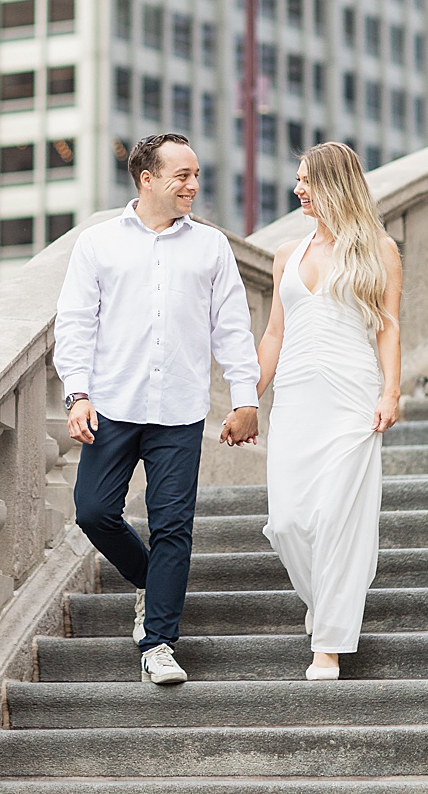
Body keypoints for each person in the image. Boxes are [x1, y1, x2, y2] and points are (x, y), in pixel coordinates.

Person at [53, 133, 260, 686]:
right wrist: (77, 394)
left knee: (174, 526)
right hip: (112, 404)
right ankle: (153, 580)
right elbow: (74, 324)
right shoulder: (98, 244)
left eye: (195, 175)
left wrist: (246, 399)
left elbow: (233, 327)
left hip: (180, 409)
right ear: (147, 179)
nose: (193, 185)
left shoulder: (211, 247)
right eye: (182, 176)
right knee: (94, 512)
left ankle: (159, 642)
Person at [231, 142, 402, 681]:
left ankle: (327, 644)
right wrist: (246, 398)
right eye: (298, 178)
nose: (298, 188)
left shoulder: (379, 248)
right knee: (285, 522)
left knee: (335, 519)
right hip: (297, 396)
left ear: (335, 183)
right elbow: (275, 333)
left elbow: (388, 327)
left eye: (306, 180)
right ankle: (325, 598)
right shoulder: (288, 253)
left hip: (352, 396)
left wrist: (390, 393)